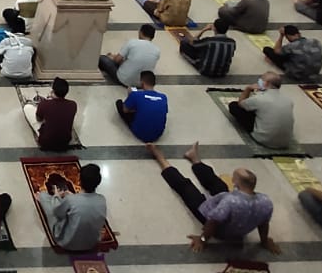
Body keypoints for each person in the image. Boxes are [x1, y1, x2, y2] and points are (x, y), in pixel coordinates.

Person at [148, 142, 279, 254]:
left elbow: (212, 222)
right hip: (231, 217)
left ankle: (160, 158)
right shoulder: (265, 202)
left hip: (219, 229)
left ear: (236, 183)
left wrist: (203, 240)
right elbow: (264, 223)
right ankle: (195, 159)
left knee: (185, 187)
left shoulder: (229, 202)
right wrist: (264, 241)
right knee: (218, 183)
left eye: (234, 177)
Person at [35, 162, 108, 252]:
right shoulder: (102, 199)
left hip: (67, 243)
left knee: (43, 196)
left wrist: (56, 196)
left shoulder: (71, 200)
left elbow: (57, 213)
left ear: (79, 181)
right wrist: (72, 197)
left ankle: (42, 198)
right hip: (91, 243)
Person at [227, 71, 294, 149]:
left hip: (264, 139)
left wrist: (248, 89)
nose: (259, 81)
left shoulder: (259, 99)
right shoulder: (288, 100)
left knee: (234, 106)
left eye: (261, 80)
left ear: (265, 83)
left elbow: (241, 103)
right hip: (285, 142)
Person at [25, 77, 77, 151]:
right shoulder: (73, 104)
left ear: (53, 91)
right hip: (65, 142)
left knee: (27, 107)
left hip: (46, 142)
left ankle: (40, 135)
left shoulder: (44, 104)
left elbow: (38, 119)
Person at [117, 70, 168, 143]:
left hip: (141, 133)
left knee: (119, 103)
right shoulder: (163, 97)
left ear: (142, 83)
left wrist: (130, 95)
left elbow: (125, 110)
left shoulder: (136, 95)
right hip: (158, 134)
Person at [0, 12, 34, 79]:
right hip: (26, 74)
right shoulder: (29, 42)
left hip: (7, 73)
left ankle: (7, 66)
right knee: (30, 51)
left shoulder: (7, 41)